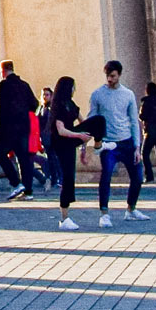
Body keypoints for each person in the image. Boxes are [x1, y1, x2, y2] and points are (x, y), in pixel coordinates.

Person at [89, 60, 144, 224]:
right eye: (108, 76)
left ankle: (131, 209)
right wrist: (89, 141)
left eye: (112, 76)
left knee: (138, 177)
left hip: (126, 141)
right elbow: (93, 118)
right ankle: (104, 213)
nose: (110, 79)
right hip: (108, 143)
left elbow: (134, 120)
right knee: (106, 176)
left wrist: (137, 147)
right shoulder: (97, 94)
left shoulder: (128, 94)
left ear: (119, 75)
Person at [40, 77, 89, 229]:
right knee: (67, 178)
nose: (74, 90)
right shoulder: (58, 106)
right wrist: (79, 136)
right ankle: (64, 217)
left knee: (69, 177)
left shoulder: (71, 104)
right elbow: (61, 130)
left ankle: (101, 145)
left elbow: (84, 122)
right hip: (61, 143)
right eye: (73, 87)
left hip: (71, 140)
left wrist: (84, 144)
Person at [0, 62, 40, 198]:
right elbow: (35, 103)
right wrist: (24, 114)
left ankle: (16, 183)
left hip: (8, 128)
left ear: (3, 71)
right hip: (24, 128)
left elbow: (1, 108)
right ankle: (28, 192)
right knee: (24, 159)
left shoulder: (3, 85)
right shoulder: (24, 85)